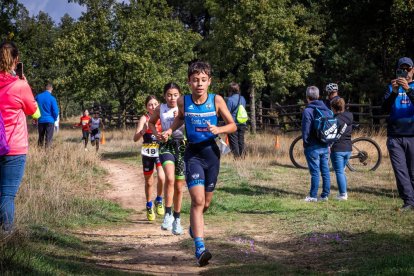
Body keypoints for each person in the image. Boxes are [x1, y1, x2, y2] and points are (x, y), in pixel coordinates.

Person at [163, 61, 236, 266]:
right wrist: (170, 130)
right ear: (189, 82)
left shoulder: (217, 100)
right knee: (197, 200)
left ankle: (195, 227)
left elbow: (233, 126)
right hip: (193, 154)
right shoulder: (183, 102)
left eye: (203, 80)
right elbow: (181, 119)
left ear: (209, 82)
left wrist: (219, 130)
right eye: (195, 80)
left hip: (212, 154)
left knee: (206, 203)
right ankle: (200, 248)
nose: (199, 84)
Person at [0, 41, 40, 231]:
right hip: (14, 147)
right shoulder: (19, 85)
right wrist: (24, 82)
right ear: (16, 61)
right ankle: (7, 238)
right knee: (7, 195)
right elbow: (33, 109)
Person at [148, 83, 185, 235]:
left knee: (179, 185)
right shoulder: (160, 108)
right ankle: (168, 214)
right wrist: (156, 134)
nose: (172, 98)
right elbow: (151, 122)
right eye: (169, 95)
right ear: (164, 96)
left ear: (180, 95)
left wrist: (182, 118)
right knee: (169, 178)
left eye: (175, 95)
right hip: (166, 145)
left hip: (182, 146)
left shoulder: (184, 107)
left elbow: (190, 124)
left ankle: (177, 219)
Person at [382, 57, 414, 211]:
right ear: (397, 71)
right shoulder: (391, 88)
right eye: (402, 69)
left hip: (412, 135)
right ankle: (409, 201)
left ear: (413, 70)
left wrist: (408, 89)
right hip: (395, 136)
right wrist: (394, 92)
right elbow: (384, 109)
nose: (406, 72)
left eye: (408, 69)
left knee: (413, 171)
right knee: (401, 171)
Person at [133, 95, 165, 221]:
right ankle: (149, 205)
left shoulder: (162, 117)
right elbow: (135, 138)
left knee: (162, 177)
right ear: (146, 107)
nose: (153, 106)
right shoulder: (144, 118)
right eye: (150, 104)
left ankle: (159, 199)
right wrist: (143, 131)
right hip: (147, 152)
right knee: (149, 182)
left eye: (155, 104)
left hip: (160, 151)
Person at [302, 86, 331, 202]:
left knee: (315, 172)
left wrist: (306, 143)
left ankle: (313, 196)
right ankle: (325, 195)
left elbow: (306, 129)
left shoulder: (308, 111)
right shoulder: (326, 109)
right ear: (318, 96)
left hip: (313, 146)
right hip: (325, 144)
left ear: (307, 97)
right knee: (325, 171)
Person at [330, 97, 353, 201]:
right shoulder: (350, 116)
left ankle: (343, 194)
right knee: (341, 171)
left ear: (333, 108)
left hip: (337, 148)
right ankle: (343, 192)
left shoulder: (334, 120)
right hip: (348, 148)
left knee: (339, 172)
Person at [226, 82, 247, 158]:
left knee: (233, 141)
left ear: (230, 90)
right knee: (241, 140)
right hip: (242, 122)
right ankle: (243, 156)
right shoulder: (243, 98)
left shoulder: (230, 100)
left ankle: (236, 157)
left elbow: (227, 112)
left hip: (233, 123)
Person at [35, 83, 59, 148]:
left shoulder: (38, 96)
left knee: (41, 137)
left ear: (45, 88)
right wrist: (54, 118)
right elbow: (55, 111)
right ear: (51, 89)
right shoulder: (52, 98)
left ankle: (39, 151)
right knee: (48, 138)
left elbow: (33, 106)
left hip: (40, 120)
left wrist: (35, 118)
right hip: (50, 120)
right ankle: (47, 153)